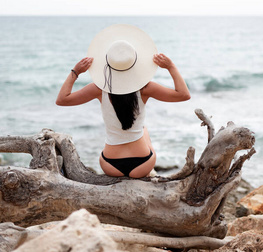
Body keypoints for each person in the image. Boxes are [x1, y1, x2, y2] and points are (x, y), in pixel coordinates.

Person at [56, 24, 190, 178]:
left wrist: (76, 72)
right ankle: (149, 173)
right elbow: (183, 95)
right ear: (135, 64)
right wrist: (171, 67)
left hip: (110, 164)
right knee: (143, 129)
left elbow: (62, 100)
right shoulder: (145, 88)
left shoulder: (99, 89)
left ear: (108, 63)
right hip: (142, 163)